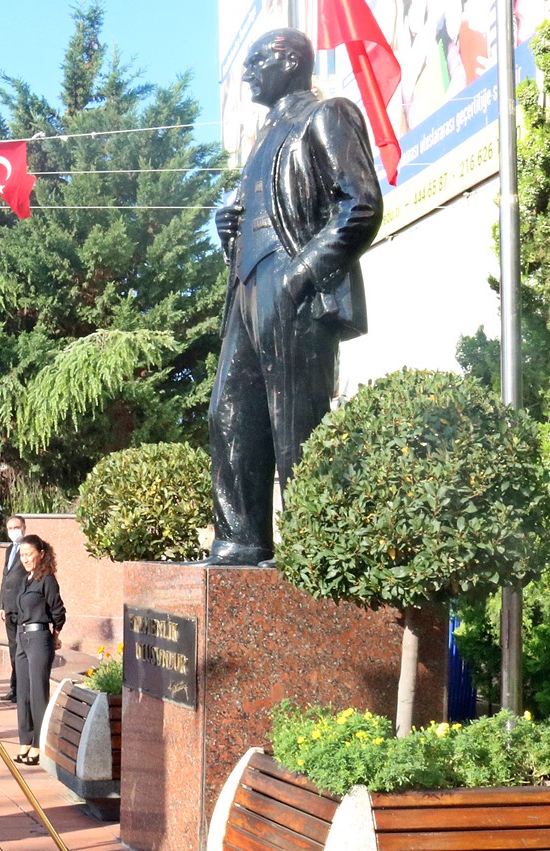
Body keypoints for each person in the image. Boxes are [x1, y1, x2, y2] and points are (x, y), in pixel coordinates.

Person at [208, 27, 383, 566]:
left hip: (291, 282)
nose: (246, 72)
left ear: (288, 60)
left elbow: (361, 205)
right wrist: (228, 228)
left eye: (256, 61)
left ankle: (312, 545)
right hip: (247, 285)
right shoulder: (263, 136)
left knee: (296, 420)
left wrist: (301, 272)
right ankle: (242, 538)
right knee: (228, 412)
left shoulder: (327, 115)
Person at [11, 534, 65, 766]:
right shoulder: (27, 580)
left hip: (40, 636)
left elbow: (58, 611)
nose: (25, 559)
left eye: (29, 554)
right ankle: (25, 740)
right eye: (22, 555)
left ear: (41, 554)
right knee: (22, 692)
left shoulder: (47, 580)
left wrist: (55, 636)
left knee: (37, 692)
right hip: (22, 637)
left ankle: (38, 745)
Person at [0, 516, 27, 701]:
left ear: (24, 527)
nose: (13, 531)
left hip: (22, 608)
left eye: (16, 527)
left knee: (21, 651)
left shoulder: (27, 549)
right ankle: (14, 688)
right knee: (12, 649)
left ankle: (21, 690)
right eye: (10, 528)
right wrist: (1, 605)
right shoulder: (10, 550)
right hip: (8, 609)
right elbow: (5, 579)